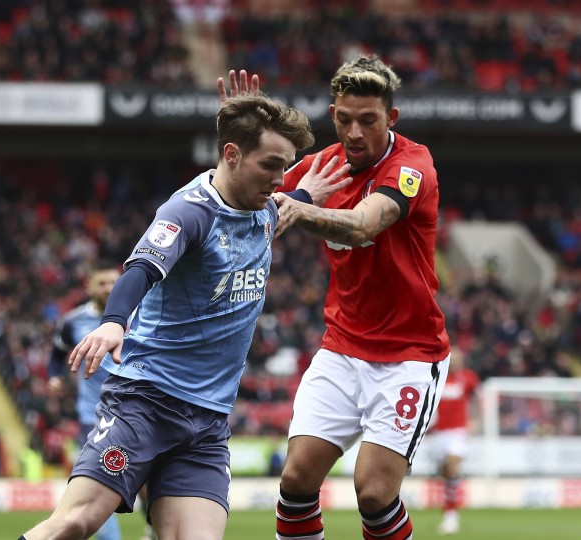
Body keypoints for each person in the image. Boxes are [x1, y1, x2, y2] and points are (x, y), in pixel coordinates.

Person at [18, 93, 348, 540]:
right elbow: (141, 269)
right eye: (271, 165)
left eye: (286, 167)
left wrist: (308, 194)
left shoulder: (264, 210)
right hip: (146, 402)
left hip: (207, 422)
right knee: (74, 524)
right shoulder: (190, 211)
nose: (280, 179)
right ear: (231, 155)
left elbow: (286, 203)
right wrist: (114, 320)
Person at [220, 55, 452, 540]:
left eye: (368, 121)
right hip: (342, 349)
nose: (354, 132)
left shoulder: (412, 165)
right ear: (332, 115)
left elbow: (367, 224)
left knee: (372, 492)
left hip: (409, 355)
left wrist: (300, 208)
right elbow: (238, 194)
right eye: (344, 119)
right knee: (297, 479)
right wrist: (238, 146)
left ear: (390, 119)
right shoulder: (321, 166)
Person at [47, 261, 123, 540]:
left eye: (113, 283)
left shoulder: (139, 316)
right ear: (89, 286)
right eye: (101, 283)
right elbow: (56, 354)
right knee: (95, 488)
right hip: (91, 419)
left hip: (134, 413)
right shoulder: (72, 322)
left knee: (147, 488)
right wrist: (54, 377)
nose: (108, 289)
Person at [424, 351, 479, 535]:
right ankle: (449, 509)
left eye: (457, 359)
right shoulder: (436, 377)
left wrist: (475, 420)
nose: (454, 362)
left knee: (451, 466)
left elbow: (477, 399)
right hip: (438, 433)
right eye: (452, 359)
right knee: (445, 474)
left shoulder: (468, 378)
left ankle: (451, 516)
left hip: (458, 431)